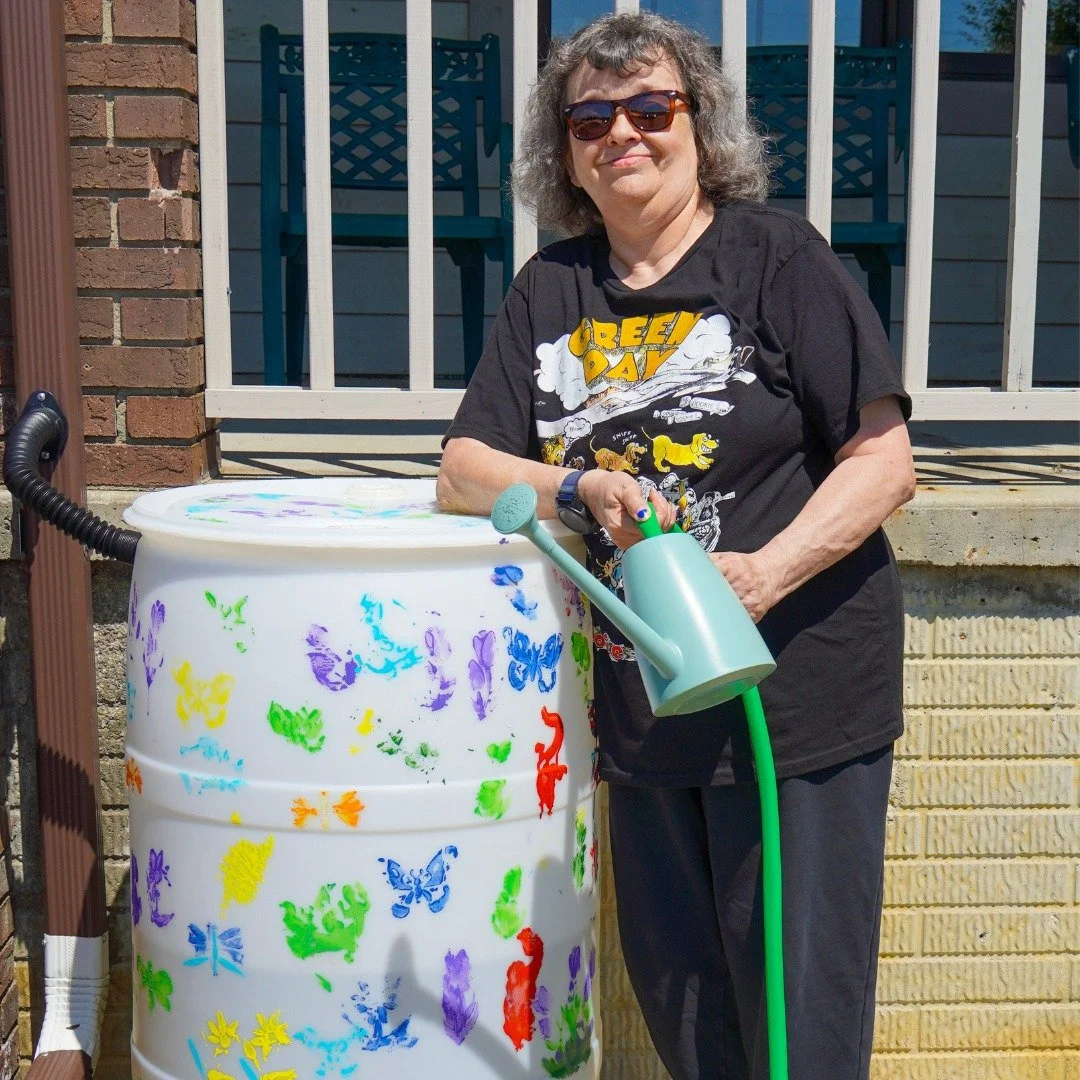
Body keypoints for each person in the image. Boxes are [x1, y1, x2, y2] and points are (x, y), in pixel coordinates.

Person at [436, 11, 916, 1079]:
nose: (624, 135)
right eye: (592, 118)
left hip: (793, 708)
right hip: (646, 716)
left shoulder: (778, 260)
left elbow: (885, 463)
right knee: (688, 1018)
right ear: (565, 151)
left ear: (701, 128)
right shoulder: (550, 288)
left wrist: (767, 571)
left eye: (652, 109)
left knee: (798, 1025)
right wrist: (577, 481)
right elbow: (464, 470)